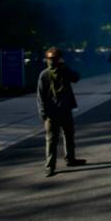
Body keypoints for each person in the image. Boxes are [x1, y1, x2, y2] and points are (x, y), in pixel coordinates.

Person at [37, 47, 87, 177]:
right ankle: (50, 166)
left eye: (53, 59)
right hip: (52, 113)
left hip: (64, 110)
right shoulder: (45, 75)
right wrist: (43, 112)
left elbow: (76, 78)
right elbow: (41, 96)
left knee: (68, 135)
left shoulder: (64, 71)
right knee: (52, 140)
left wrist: (65, 67)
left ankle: (70, 159)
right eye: (50, 59)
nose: (52, 61)